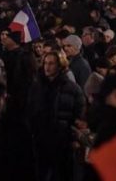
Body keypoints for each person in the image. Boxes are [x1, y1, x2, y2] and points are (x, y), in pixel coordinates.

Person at [27, 51, 85, 181]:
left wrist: (73, 138)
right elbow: (30, 111)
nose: (47, 67)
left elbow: (79, 116)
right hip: (40, 141)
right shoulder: (36, 87)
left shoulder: (73, 89)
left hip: (62, 142)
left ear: (60, 65)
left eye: (51, 63)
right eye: (45, 63)